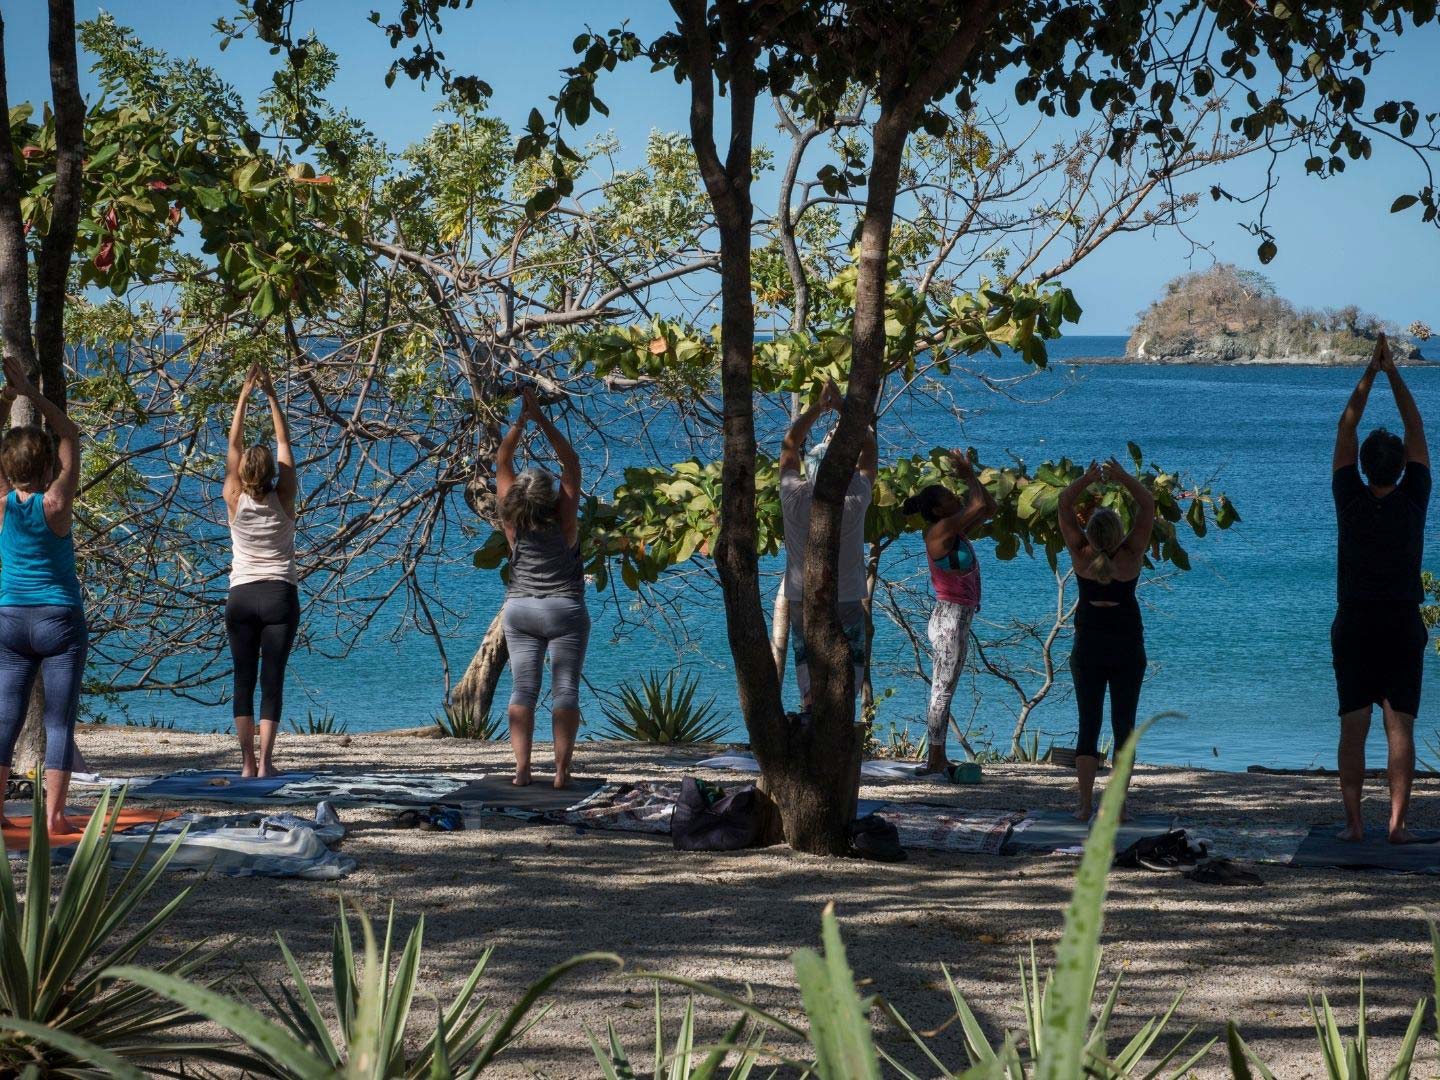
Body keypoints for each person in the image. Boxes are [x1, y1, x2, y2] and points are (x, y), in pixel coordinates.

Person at [1331, 332, 1429, 843]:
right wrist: (1394, 373)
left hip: (1355, 621)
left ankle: (1353, 825)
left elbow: (1344, 432)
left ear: (1366, 467)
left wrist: (1369, 373)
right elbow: (1416, 428)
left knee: (1354, 725)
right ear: (1401, 467)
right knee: (1400, 727)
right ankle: (1396, 824)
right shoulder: (1414, 500)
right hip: (1400, 621)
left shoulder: (1349, 497)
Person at [0, 355, 87, 834]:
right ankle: (53, 817)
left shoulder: (3, 505)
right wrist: (32, 396)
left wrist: (7, 398)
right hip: (58, 619)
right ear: (48, 464)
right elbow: (70, 432)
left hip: (10, 619)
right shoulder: (56, 503)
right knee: (58, 722)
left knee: (5, 720)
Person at [495, 387, 588, 788]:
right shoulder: (564, 518)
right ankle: (561, 772)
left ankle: (521, 770)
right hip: (565, 609)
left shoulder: (510, 518)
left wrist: (519, 420)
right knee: (564, 688)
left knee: (523, 688)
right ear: (549, 497)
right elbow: (571, 462)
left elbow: (502, 459)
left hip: (520, 611)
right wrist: (542, 419)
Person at [1057, 457, 1155, 820]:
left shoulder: (1081, 557)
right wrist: (1123, 477)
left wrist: (1086, 478)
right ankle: (1119, 807)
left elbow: (1064, 503)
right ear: (1119, 534)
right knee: (1123, 726)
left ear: (1092, 535)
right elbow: (1148, 504)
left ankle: (1084, 806)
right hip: (1127, 648)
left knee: (1088, 725)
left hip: (1088, 649)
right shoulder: (1131, 557)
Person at [778, 380, 877, 711]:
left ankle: (810, 719)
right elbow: (870, 451)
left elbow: (790, 446)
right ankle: (841, 729)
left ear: (810, 470)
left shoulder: (793, 496)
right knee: (849, 671)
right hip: (847, 593)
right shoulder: (855, 498)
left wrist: (818, 408)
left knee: (808, 671)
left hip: (801, 594)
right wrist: (845, 411)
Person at [223, 362, 300, 778]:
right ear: (270, 474)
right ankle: (267, 762)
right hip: (278, 595)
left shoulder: (233, 496)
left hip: (241, 596)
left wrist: (244, 395)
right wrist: (272, 396)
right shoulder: (283, 496)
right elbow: (284, 441)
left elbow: (233, 444)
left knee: (242, 680)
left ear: (242, 475)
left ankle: (247, 763)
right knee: (272, 680)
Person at [903, 450, 997, 774]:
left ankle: (937, 756)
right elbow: (976, 505)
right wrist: (969, 473)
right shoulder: (940, 531)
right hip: (950, 619)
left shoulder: (953, 533)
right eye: (946, 495)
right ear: (937, 510)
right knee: (942, 689)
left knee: (944, 688)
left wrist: (972, 481)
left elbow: (988, 508)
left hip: (955, 617)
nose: (953, 495)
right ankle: (935, 759)